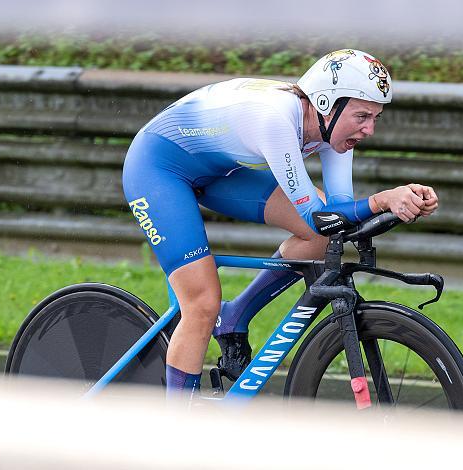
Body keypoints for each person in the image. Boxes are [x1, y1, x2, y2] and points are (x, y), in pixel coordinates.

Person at [122, 48, 439, 401]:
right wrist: (381, 200)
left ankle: (234, 318)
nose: (369, 129)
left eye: (375, 117)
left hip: (220, 172)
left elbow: (336, 215)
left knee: (320, 239)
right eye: (363, 116)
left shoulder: (335, 131)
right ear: (325, 103)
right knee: (201, 302)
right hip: (159, 168)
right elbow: (317, 217)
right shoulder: (276, 119)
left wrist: (400, 203)